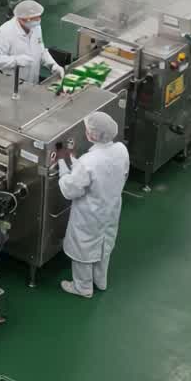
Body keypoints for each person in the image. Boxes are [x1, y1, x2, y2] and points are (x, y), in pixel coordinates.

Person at [58, 113, 130, 299]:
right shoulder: (121, 149)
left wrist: (63, 168)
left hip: (89, 213)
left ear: (92, 135)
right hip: (111, 206)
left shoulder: (88, 162)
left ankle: (82, 287)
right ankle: (100, 280)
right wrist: (76, 164)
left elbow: (71, 189)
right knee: (104, 243)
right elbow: (111, 171)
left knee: (83, 248)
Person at [0, 0, 65, 84]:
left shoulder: (35, 27)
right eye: (35, 18)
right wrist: (16, 61)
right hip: (13, 84)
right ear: (25, 19)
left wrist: (53, 65)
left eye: (39, 17)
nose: (39, 20)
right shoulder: (5, 32)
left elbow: (41, 50)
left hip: (33, 81)